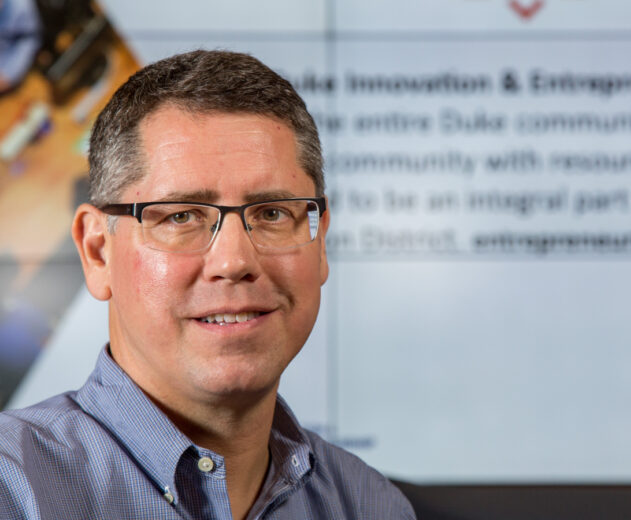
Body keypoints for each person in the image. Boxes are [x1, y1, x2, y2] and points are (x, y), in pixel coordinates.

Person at [0, 49, 416, 520]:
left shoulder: (369, 505)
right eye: (182, 216)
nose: (235, 260)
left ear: (320, 245)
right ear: (98, 251)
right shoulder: (13, 491)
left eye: (273, 213)